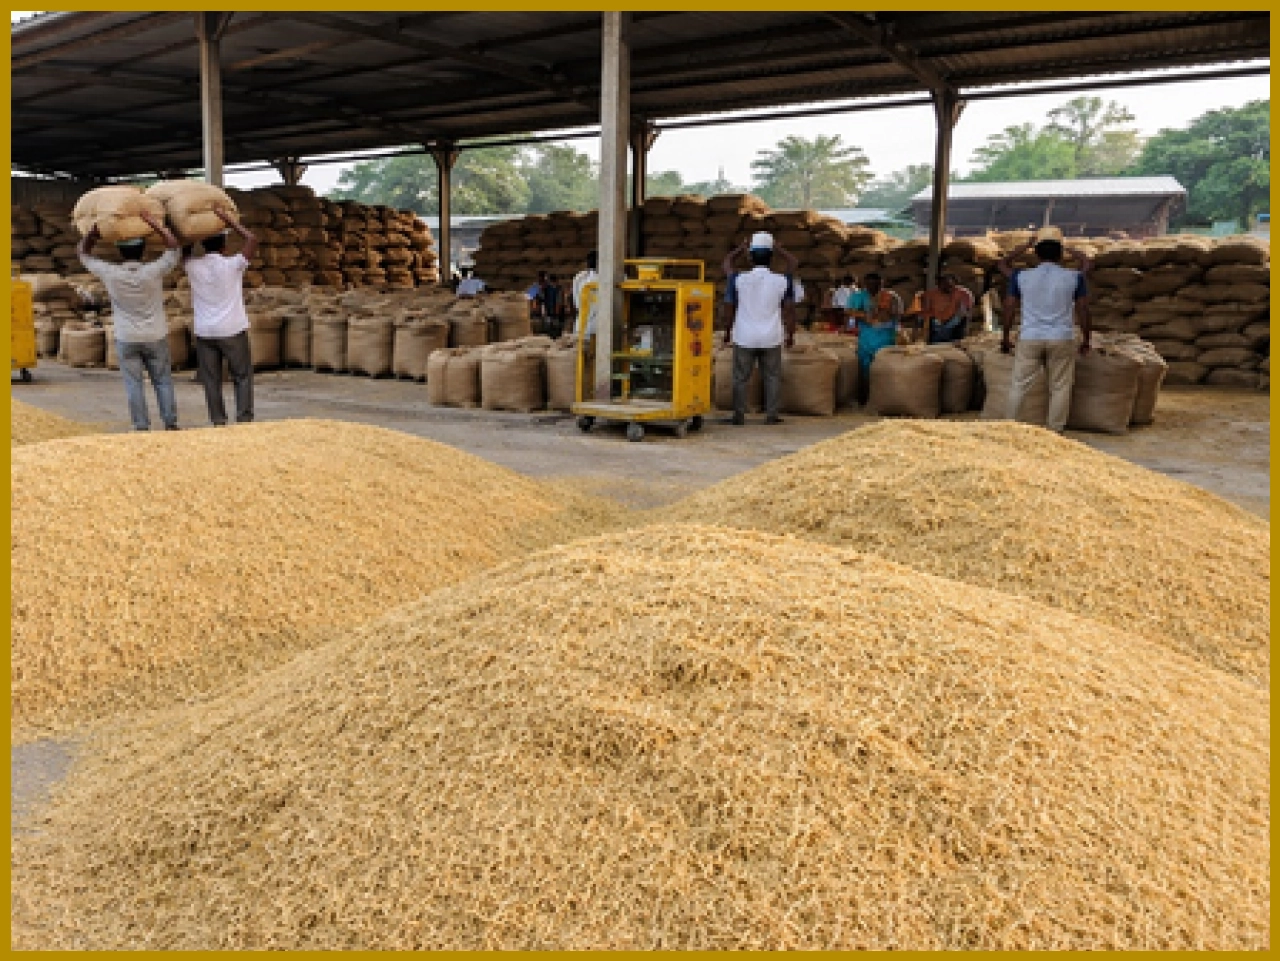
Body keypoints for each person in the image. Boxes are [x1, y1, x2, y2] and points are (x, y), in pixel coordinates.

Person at [77, 212, 182, 431]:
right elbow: (174, 249)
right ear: (143, 251)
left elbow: (83, 254)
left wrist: (92, 235)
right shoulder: (154, 271)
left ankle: (141, 425)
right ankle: (170, 422)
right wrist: (157, 226)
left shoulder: (111, 273)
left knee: (133, 383)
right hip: (155, 334)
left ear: (120, 252)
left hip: (126, 337)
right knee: (162, 380)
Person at [999, 225, 1092, 433]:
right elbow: (1084, 308)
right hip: (1061, 337)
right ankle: (1054, 430)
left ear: (1037, 254)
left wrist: (1005, 336)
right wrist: (1087, 339)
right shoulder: (1074, 277)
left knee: (1019, 384)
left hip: (1030, 336)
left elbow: (1008, 304)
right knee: (1060, 387)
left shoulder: (1021, 277)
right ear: (1060, 254)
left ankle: (1008, 426)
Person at [184, 208, 259, 427]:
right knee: (242, 376)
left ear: (203, 245)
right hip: (232, 329)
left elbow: (185, 249)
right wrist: (231, 221)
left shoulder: (192, 266)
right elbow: (252, 239)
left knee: (211, 379)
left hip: (205, 331)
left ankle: (218, 419)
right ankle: (244, 418)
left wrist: (194, 230)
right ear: (224, 247)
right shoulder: (233, 264)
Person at [721, 231, 798, 426]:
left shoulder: (738, 279)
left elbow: (729, 306)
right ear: (771, 257)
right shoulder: (782, 281)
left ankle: (738, 416)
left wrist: (727, 332)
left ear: (751, 257)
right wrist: (790, 334)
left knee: (740, 378)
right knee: (772, 377)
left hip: (744, 335)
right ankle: (771, 415)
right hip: (771, 336)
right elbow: (789, 309)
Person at [848, 272, 903, 394]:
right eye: (869, 284)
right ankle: (865, 393)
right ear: (865, 284)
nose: (872, 287)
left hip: (886, 334)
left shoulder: (891, 297)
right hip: (867, 335)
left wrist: (885, 314)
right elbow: (850, 312)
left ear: (881, 283)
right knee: (864, 364)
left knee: (884, 363)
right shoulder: (858, 296)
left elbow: (897, 314)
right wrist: (863, 316)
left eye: (875, 284)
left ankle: (883, 392)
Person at [919, 273, 975, 344]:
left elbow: (965, 313)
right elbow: (925, 312)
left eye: (950, 286)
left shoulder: (964, 294)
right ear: (938, 284)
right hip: (936, 325)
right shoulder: (930, 295)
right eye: (944, 285)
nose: (948, 288)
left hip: (955, 325)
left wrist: (949, 324)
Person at [571, 250, 598, 335]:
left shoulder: (579, 277)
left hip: (582, 324)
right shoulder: (581, 278)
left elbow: (576, 301)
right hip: (596, 324)